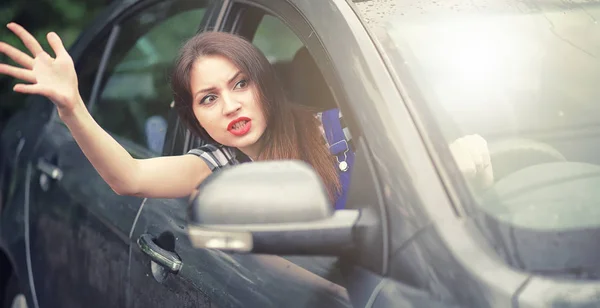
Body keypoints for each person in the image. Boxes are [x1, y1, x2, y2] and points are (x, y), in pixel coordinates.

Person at [0, 23, 493, 206]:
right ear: (194, 116)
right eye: (208, 98)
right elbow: (129, 177)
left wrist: (459, 160)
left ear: (265, 84)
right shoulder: (216, 166)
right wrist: (72, 107)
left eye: (241, 84)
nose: (231, 104)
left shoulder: (338, 128)